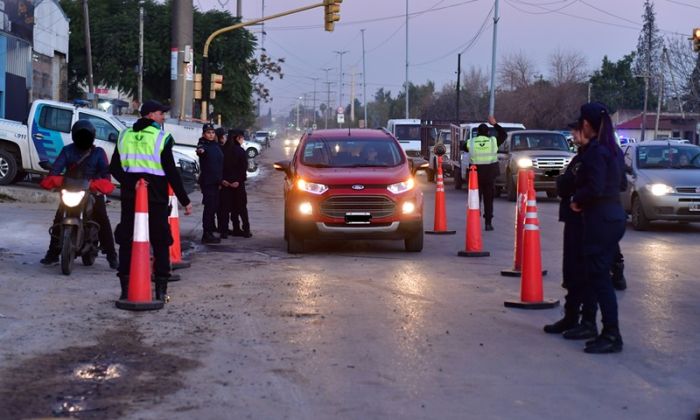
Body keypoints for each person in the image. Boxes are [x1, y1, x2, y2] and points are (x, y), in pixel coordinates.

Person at [110, 100, 192, 302]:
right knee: (161, 241)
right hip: (155, 199)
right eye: (160, 113)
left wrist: (132, 183)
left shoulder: (124, 135)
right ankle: (161, 290)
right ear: (149, 115)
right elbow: (172, 172)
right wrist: (184, 200)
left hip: (131, 198)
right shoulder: (161, 137)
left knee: (127, 241)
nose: (163, 117)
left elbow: (114, 168)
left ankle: (126, 289)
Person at [569, 102, 627, 354]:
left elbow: (594, 186)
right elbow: (621, 182)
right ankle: (599, 327)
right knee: (598, 276)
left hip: (600, 219)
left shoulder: (596, 151)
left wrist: (577, 199)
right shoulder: (613, 150)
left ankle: (611, 333)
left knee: (600, 279)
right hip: (614, 216)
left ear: (587, 125)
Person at [39, 120, 118, 269]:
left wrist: (100, 184)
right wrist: (53, 179)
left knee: (102, 219)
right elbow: (55, 169)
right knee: (58, 218)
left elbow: (105, 174)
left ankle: (112, 255)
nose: (83, 138)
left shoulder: (98, 153)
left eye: (86, 136)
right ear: (75, 136)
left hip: (92, 192)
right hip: (70, 189)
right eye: (80, 135)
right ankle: (52, 253)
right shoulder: (67, 151)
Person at [543, 121, 597, 339]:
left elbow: (578, 184)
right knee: (571, 271)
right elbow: (565, 182)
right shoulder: (580, 156)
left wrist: (574, 195)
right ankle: (571, 316)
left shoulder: (593, 156)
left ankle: (588, 321)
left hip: (585, 222)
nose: (573, 135)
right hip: (573, 220)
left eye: (576, 131)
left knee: (585, 272)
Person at [466, 115, 507, 231]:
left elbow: (463, 146)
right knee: (488, 201)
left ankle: (475, 221)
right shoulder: (493, 141)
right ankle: (488, 223)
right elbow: (504, 134)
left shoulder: (471, 142)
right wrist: (494, 123)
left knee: (475, 199)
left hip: (475, 176)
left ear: (477, 133)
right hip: (490, 176)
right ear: (488, 132)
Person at [197, 123, 224, 244]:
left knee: (213, 208)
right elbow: (200, 150)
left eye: (212, 132)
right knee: (209, 208)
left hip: (217, 181)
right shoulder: (203, 145)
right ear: (204, 134)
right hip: (208, 181)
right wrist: (200, 150)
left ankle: (210, 231)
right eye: (208, 132)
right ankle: (206, 234)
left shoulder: (215, 145)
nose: (211, 134)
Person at [225, 129, 252, 238]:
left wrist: (224, 180)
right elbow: (243, 168)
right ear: (238, 138)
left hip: (226, 184)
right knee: (241, 208)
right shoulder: (240, 151)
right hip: (238, 185)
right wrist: (238, 181)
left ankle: (235, 228)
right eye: (242, 138)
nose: (243, 140)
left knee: (231, 208)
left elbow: (222, 168)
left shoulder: (224, 150)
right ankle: (246, 230)